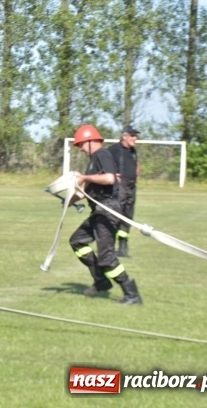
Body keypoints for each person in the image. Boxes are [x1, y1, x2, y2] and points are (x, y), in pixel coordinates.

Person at [66, 124, 142, 305]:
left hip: (107, 212)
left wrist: (84, 177)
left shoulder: (102, 154)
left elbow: (109, 178)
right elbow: (85, 191)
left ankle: (132, 294)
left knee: (106, 257)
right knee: (77, 241)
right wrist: (67, 202)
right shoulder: (93, 161)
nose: (81, 150)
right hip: (98, 212)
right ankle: (101, 280)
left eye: (82, 145)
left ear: (91, 141)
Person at [107, 125, 140, 258]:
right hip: (119, 188)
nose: (135, 138)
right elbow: (103, 164)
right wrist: (113, 175)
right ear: (124, 136)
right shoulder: (113, 150)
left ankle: (123, 248)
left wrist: (137, 173)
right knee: (115, 217)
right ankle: (108, 248)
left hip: (131, 188)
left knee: (128, 217)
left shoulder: (133, 151)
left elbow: (136, 165)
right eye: (132, 135)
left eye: (135, 136)